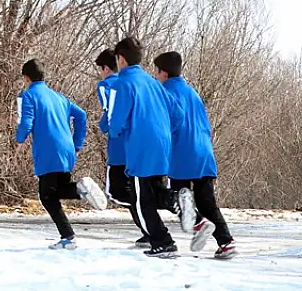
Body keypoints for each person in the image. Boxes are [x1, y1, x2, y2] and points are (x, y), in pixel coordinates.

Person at [15, 58, 106, 248]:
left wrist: (19, 139)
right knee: (57, 190)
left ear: (26, 77)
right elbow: (81, 115)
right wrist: (77, 143)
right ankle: (80, 191)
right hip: (67, 149)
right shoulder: (58, 97)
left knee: (46, 196)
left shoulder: (28, 96)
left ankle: (69, 236)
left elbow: (26, 123)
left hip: (49, 151)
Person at [154, 51, 237, 259]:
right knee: (207, 202)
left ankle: (199, 224)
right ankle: (226, 242)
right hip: (204, 152)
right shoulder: (192, 92)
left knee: (178, 199)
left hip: (182, 154)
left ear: (163, 72)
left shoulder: (165, 92)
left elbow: (169, 124)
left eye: (156, 71)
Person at [108, 37, 179, 258]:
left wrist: (113, 130)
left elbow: (116, 121)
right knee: (153, 192)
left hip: (141, 147)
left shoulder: (122, 83)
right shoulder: (154, 83)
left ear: (120, 59)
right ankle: (172, 199)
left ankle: (162, 241)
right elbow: (177, 114)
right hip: (163, 145)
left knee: (141, 201)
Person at [96, 50, 148, 246]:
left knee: (117, 192)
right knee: (136, 190)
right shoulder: (137, 82)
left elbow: (110, 114)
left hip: (118, 148)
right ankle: (148, 229)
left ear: (106, 68)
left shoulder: (107, 85)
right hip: (138, 145)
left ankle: (149, 225)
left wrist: (104, 125)